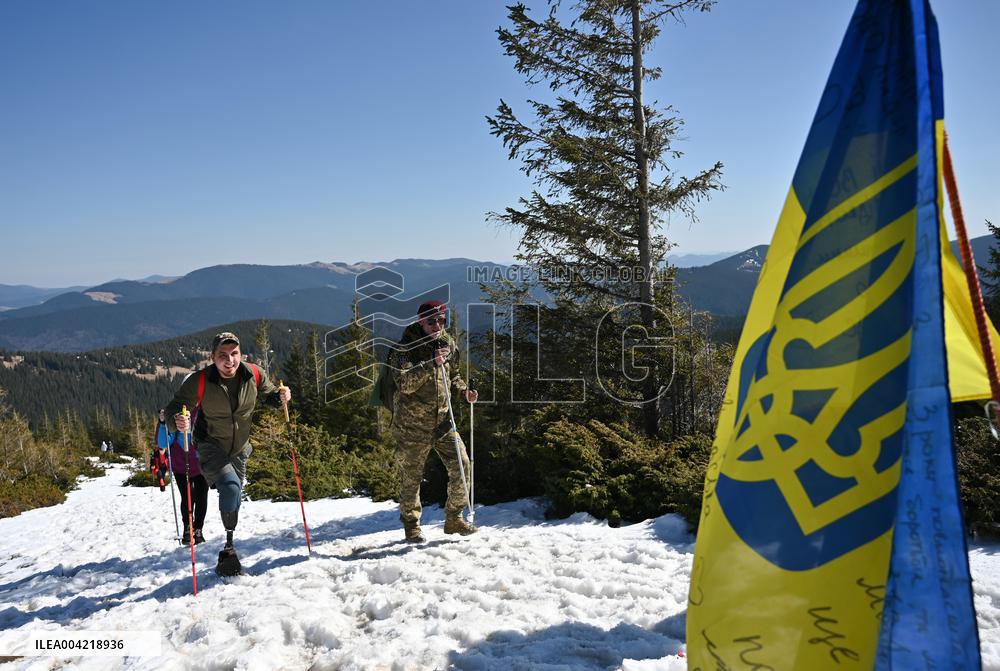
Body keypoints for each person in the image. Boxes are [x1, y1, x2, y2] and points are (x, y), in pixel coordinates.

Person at [164, 331, 291, 575]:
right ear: (213, 357)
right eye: (222, 355)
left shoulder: (253, 374)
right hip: (211, 445)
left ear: (241, 354)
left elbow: (270, 395)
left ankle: (229, 538)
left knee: (234, 495)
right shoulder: (200, 381)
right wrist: (177, 420)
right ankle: (229, 548)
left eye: (234, 354)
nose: (229, 360)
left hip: (240, 448)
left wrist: (281, 396)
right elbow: (172, 409)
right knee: (231, 486)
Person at [390, 300, 478, 543]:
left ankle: (454, 518)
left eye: (442, 320)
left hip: (442, 422)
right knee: (412, 477)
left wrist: (464, 392)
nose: (438, 325)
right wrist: (432, 363)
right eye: (432, 321)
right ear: (420, 321)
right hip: (412, 426)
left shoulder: (447, 344)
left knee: (462, 465)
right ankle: (412, 526)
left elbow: (455, 376)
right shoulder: (403, 349)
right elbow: (404, 384)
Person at [156, 408, 208, 544]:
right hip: (181, 465)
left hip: (202, 465)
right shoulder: (176, 414)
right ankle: (187, 528)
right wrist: (162, 423)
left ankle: (198, 529)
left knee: (201, 497)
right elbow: (162, 444)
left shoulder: (204, 411)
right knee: (187, 496)